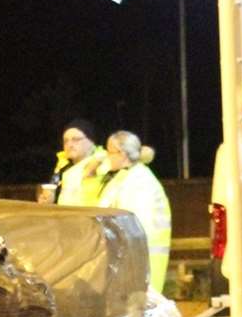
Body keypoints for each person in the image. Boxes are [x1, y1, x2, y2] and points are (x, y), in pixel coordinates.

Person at [95, 130, 174, 294]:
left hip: (140, 261)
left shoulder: (139, 182)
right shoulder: (125, 177)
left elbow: (132, 224)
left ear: (122, 154)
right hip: (132, 260)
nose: (107, 157)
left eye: (109, 152)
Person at [47, 119, 106, 207]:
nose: (70, 144)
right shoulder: (62, 166)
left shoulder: (103, 162)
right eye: (66, 141)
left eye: (76, 139)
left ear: (91, 141)